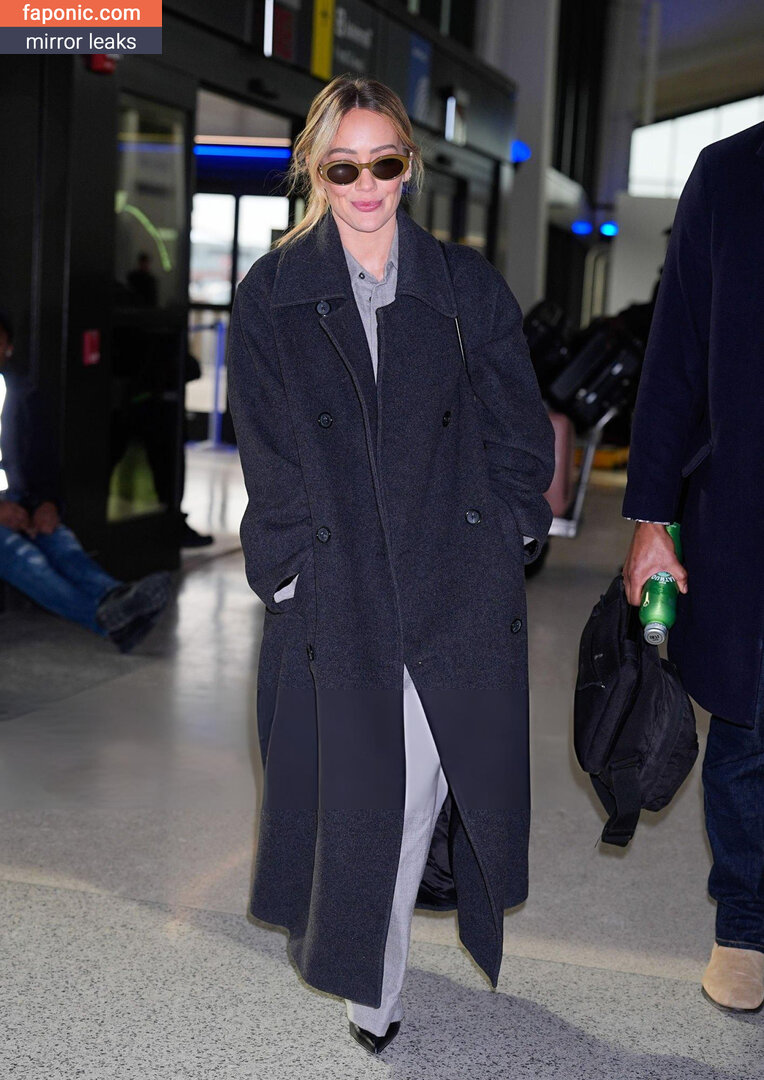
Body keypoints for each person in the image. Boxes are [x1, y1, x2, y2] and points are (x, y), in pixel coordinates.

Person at [226, 74, 555, 1054]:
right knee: (366, 795)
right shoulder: (273, 292)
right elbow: (266, 449)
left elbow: (517, 426)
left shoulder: (462, 285)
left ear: (409, 164)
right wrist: (293, 566)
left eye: (385, 163)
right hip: (342, 587)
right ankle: (372, 973)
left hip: (451, 577)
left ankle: (373, 977)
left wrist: (509, 530)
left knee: (418, 792)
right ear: (313, 172)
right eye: (344, 167)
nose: (366, 186)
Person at [622, 120, 764, 1014]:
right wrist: (650, 517)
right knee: (748, 732)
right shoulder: (730, 173)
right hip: (745, 511)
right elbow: (674, 356)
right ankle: (746, 928)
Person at [0, 310, 172, 651]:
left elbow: (42, 461)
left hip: (19, 500)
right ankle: (108, 618)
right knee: (22, 556)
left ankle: (115, 596)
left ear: (9, 348)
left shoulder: (20, 393)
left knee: (59, 541)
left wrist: (47, 503)